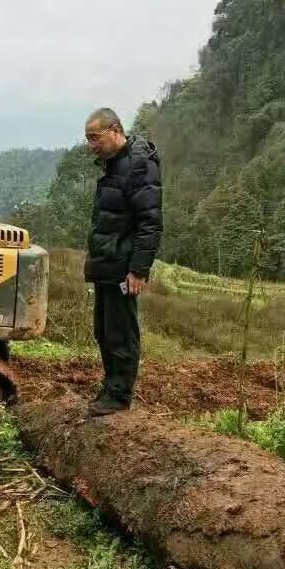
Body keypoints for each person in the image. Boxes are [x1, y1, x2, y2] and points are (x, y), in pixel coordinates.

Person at [84, 107, 163, 415]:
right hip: (107, 260)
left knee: (121, 332)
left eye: (95, 137)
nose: (91, 145)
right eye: (87, 139)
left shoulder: (139, 166)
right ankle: (110, 385)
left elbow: (150, 222)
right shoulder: (115, 164)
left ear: (115, 130)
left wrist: (139, 269)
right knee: (103, 330)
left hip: (123, 264)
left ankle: (119, 395)